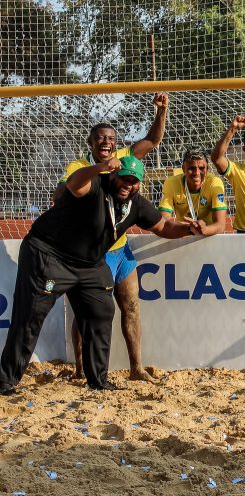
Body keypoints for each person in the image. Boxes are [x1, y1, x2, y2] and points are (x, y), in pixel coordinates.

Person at [0, 156, 204, 395]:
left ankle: (98, 381)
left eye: (134, 181)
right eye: (124, 178)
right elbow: (75, 183)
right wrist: (99, 168)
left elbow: (164, 227)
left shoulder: (135, 203)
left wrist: (188, 229)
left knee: (101, 311)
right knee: (30, 316)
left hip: (89, 263)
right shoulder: (95, 184)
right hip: (49, 254)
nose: (128, 184)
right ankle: (6, 382)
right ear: (113, 176)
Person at [56, 91, 170, 384]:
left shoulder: (124, 159)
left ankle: (136, 368)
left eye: (111, 138)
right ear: (91, 143)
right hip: (90, 253)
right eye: (100, 138)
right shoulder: (78, 168)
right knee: (85, 313)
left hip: (120, 250)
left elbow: (153, 141)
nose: (106, 142)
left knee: (131, 306)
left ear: (116, 144)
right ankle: (81, 369)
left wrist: (160, 112)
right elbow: (60, 194)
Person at [158, 150, 228, 235]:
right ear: (183, 169)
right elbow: (163, 221)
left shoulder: (214, 182)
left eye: (201, 168)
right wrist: (188, 228)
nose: (197, 173)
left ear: (207, 169)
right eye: (192, 168)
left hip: (208, 237)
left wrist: (204, 230)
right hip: (183, 234)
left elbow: (220, 225)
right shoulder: (171, 183)